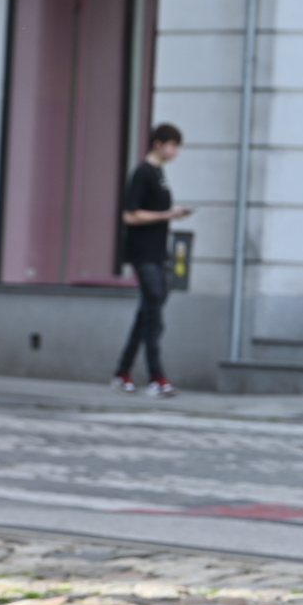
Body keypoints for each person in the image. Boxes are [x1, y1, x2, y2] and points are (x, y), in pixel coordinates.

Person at [114, 122, 192, 398]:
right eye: (172, 145)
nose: (176, 152)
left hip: (157, 252)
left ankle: (122, 370)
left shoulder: (158, 174)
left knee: (148, 311)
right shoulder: (143, 173)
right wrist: (168, 215)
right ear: (158, 144)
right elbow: (130, 214)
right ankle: (156, 376)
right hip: (142, 252)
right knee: (154, 313)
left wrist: (171, 214)